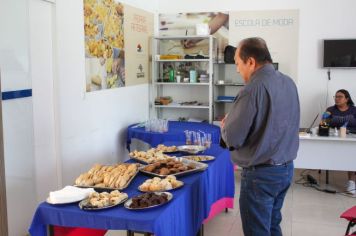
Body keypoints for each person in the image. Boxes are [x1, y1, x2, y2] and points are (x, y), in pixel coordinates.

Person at [221, 37, 300, 236]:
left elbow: (233, 137)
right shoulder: (289, 82)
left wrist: (225, 126)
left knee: (257, 231)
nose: (237, 70)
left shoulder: (252, 89)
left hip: (260, 176)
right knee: (273, 225)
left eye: (238, 64)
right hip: (286, 170)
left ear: (251, 62)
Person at [325, 89, 356, 194]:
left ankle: (351, 182)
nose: (337, 99)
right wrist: (325, 118)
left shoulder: (354, 110)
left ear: (347, 99)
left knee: (352, 154)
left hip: (351, 140)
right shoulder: (330, 109)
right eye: (335, 97)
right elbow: (323, 125)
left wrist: (348, 130)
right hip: (333, 140)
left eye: (340, 97)